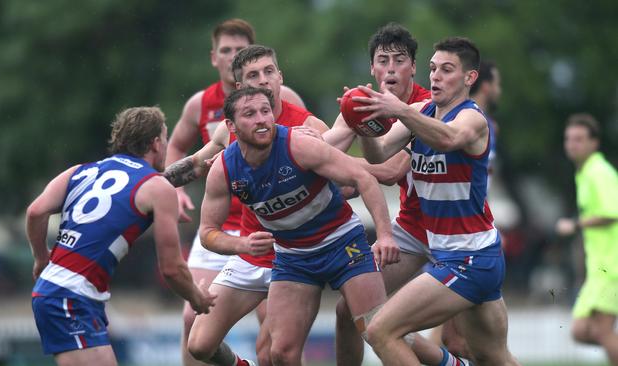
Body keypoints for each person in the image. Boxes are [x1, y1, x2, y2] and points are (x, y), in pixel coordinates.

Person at [197, 86, 400, 365]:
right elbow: (207, 233)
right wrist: (241, 244)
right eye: (250, 114)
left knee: (380, 333)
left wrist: (385, 235)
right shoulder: (224, 168)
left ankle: (443, 361)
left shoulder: (298, 144)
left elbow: (363, 179)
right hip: (293, 257)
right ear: (230, 126)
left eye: (266, 111)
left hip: (342, 243)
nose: (261, 119)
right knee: (279, 354)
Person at [349, 37, 518, 365]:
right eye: (433, 69)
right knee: (491, 357)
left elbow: (449, 137)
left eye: (447, 70)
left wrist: (397, 110)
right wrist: (363, 124)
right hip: (465, 257)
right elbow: (381, 154)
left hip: (469, 260)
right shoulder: (419, 112)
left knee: (382, 330)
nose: (436, 76)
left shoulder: (472, 119)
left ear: (470, 78)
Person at [311, 23, 469, 366]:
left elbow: (391, 170)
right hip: (413, 228)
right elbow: (325, 153)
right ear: (372, 68)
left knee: (461, 341)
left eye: (400, 60)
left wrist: (344, 174)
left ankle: (454, 361)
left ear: (414, 66)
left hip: (456, 232)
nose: (391, 68)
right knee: (351, 310)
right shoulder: (361, 103)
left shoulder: (428, 106)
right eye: (383, 60)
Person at [166, 45, 328, 366]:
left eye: (269, 72)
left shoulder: (310, 128)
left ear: (280, 77)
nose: (264, 80)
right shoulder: (230, 131)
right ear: (240, 88)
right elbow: (196, 164)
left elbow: (349, 181)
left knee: (274, 352)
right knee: (198, 344)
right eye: (254, 75)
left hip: (294, 256)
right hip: (250, 249)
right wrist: (145, 186)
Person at [26, 107, 216, 366]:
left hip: (59, 291)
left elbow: (35, 212)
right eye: (166, 137)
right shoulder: (157, 188)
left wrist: (40, 258)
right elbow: (171, 269)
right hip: (71, 296)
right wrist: (197, 297)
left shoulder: (82, 171)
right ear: (157, 143)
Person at [431, 58, 503, 357]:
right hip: (459, 238)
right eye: (497, 82)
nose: (500, 89)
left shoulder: (481, 123)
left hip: (471, 241)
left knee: (464, 343)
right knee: (456, 340)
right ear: (484, 84)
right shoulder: (472, 121)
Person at [556, 113, 618, 365]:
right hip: (599, 269)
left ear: (594, 143)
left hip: (611, 266)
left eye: (579, 139)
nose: (572, 144)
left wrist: (575, 225)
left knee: (602, 331)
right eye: (569, 139)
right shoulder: (585, 172)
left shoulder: (598, 171)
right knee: (580, 331)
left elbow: (611, 212)